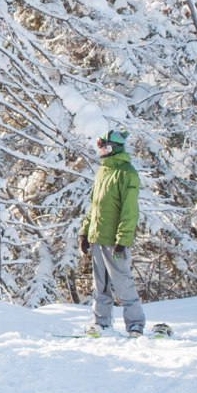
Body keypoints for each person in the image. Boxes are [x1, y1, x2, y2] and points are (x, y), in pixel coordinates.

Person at [79, 127, 145, 337]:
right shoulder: (102, 172)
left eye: (104, 147)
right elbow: (94, 205)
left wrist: (123, 239)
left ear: (113, 148)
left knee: (123, 283)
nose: (100, 151)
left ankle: (135, 324)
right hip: (98, 238)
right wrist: (85, 232)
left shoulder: (126, 173)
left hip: (115, 241)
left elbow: (129, 210)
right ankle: (101, 323)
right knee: (100, 286)